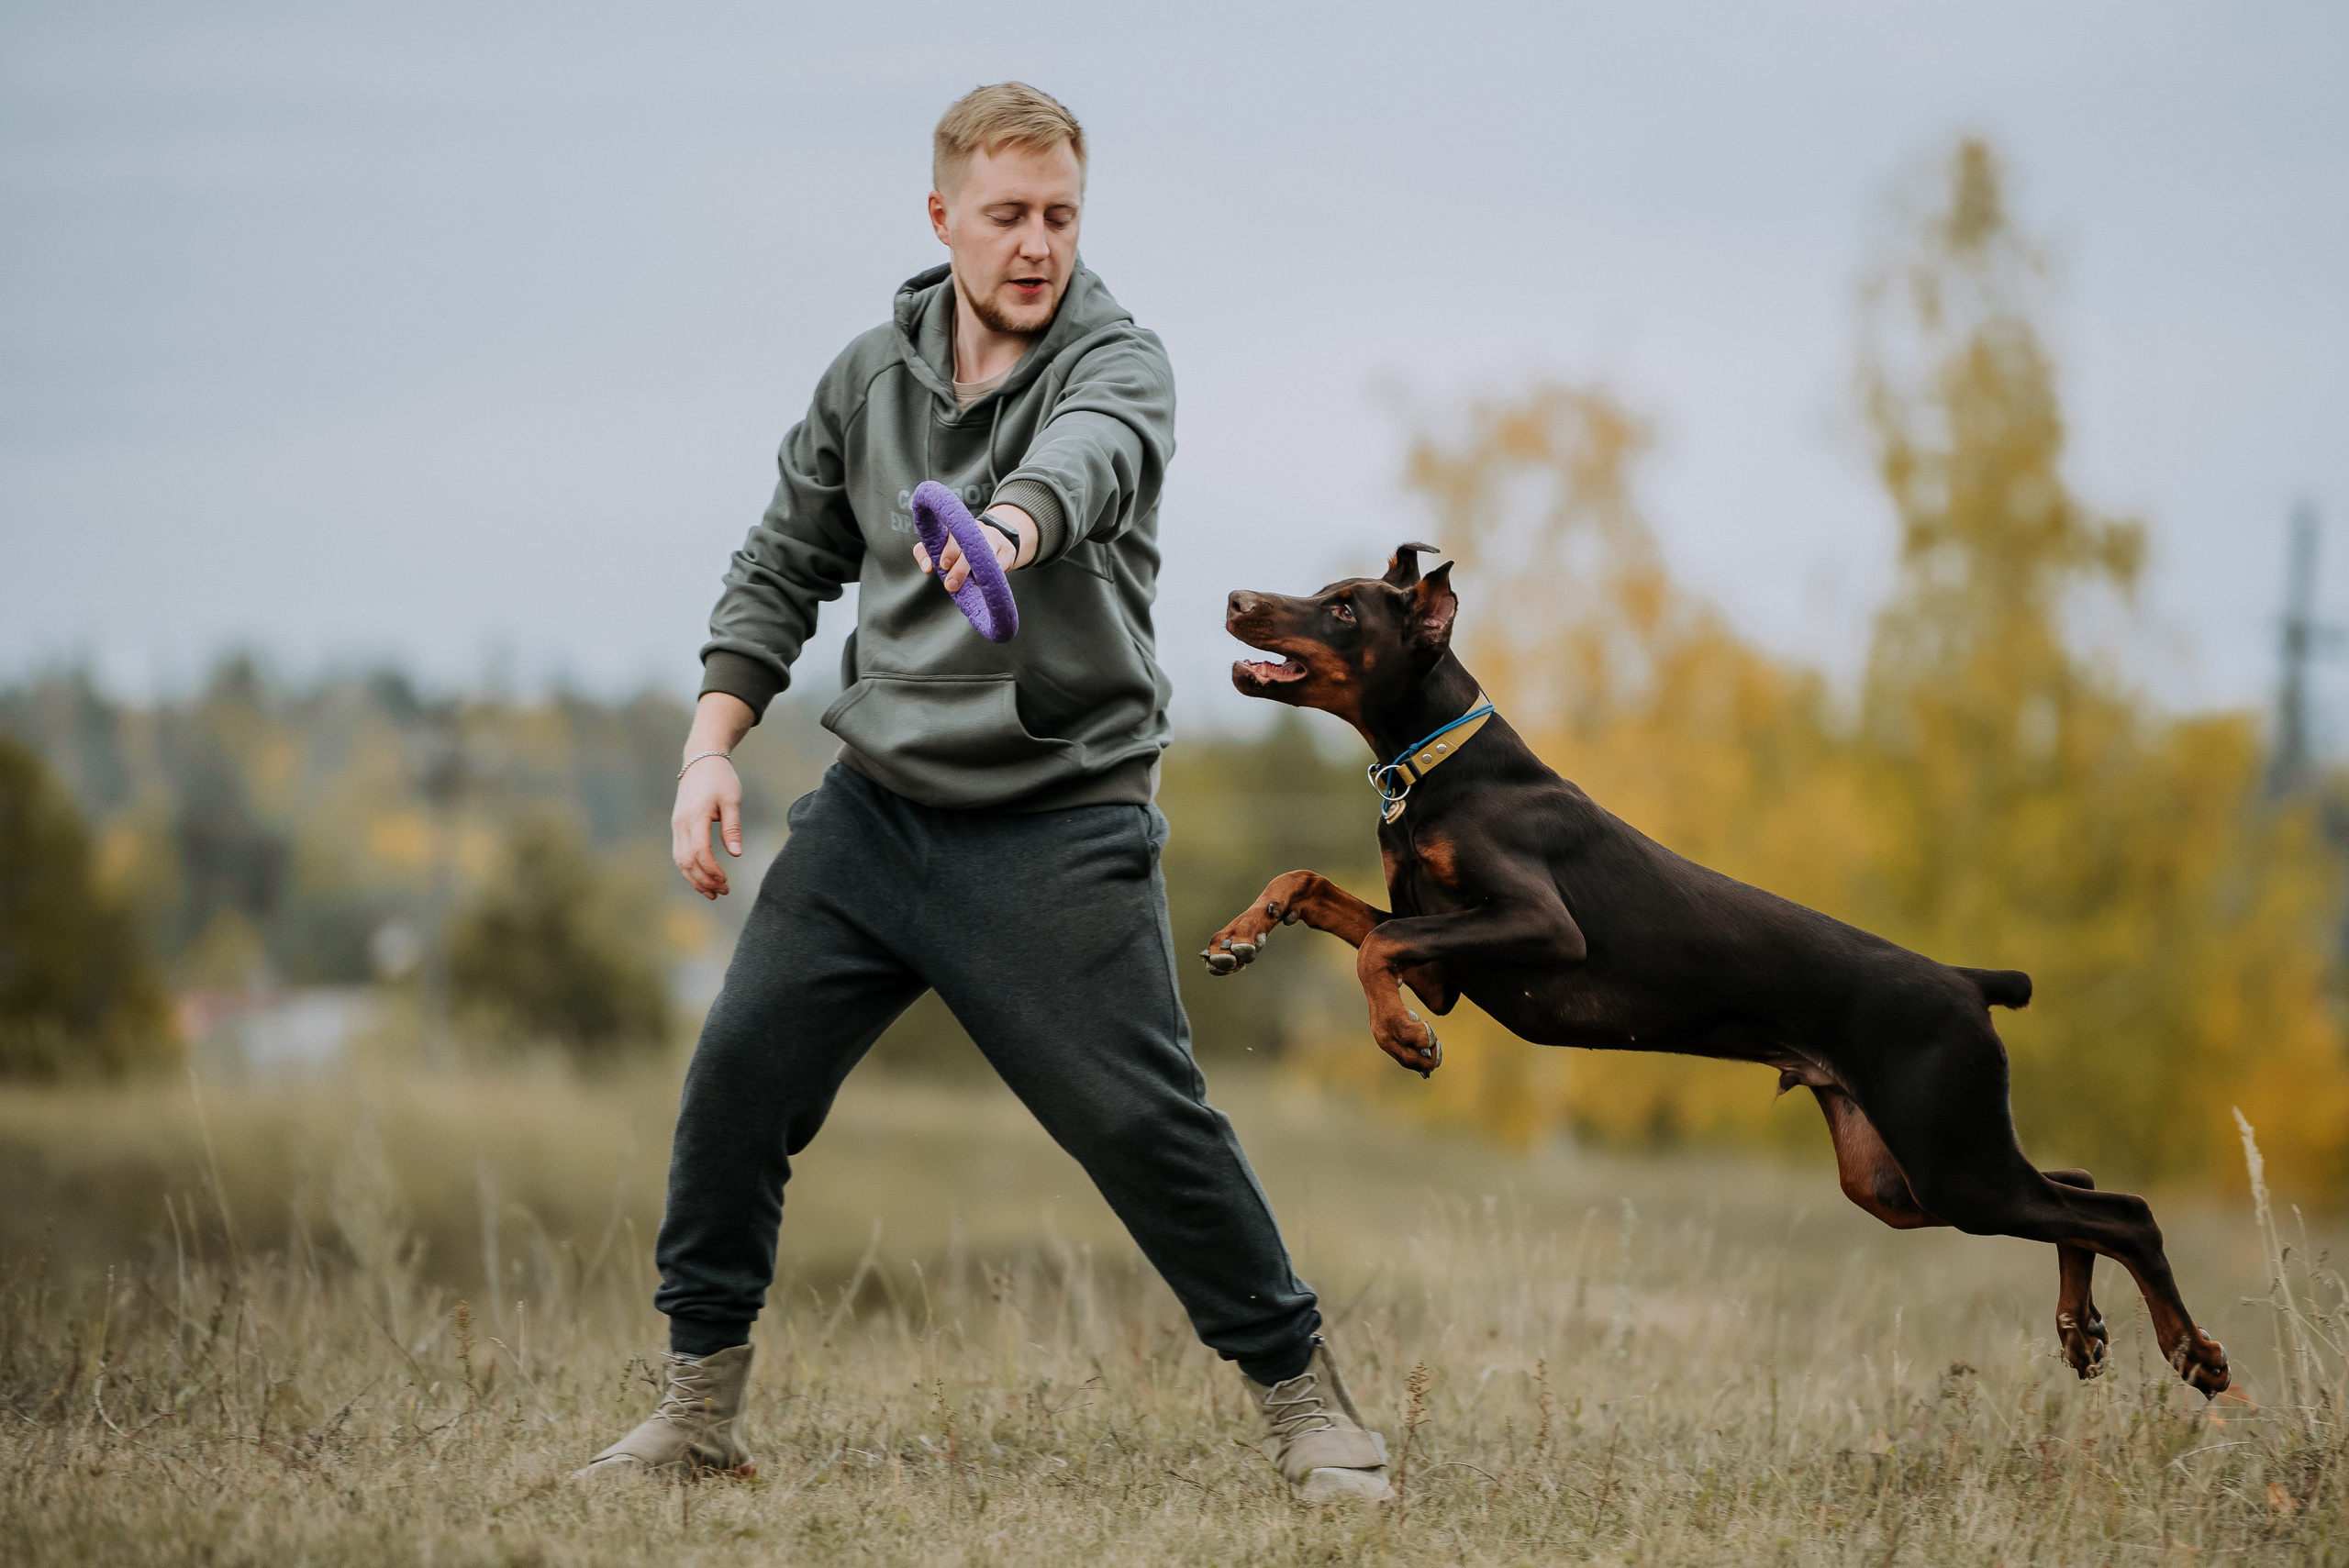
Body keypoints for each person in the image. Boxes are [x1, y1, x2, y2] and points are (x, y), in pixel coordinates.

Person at [571, 82, 1391, 1505]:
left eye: (1061, 216)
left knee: (1143, 1122)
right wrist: (712, 745)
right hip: (877, 812)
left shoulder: (1120, 362)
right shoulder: (865, 380)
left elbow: (1087, 466)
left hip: (1059, 821)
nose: (1036, 245)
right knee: (735, 1079)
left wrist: (998, 529)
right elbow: (781, 563)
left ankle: (1309, 1404)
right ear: (940, 213)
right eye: (1007, 214)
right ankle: (696, 1414)